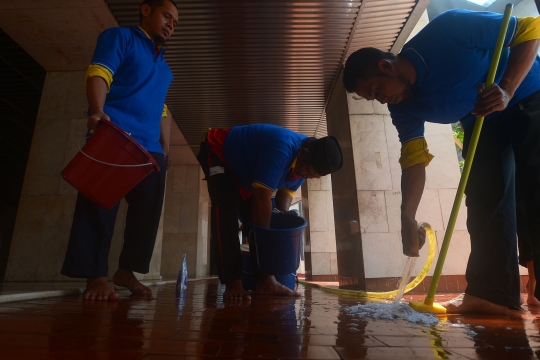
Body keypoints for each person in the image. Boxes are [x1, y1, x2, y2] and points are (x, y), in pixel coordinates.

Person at [343, 9, 540, 314]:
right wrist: (407, 217)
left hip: (529, 94)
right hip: (483, 120)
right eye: (374, 99)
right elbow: (413, 158)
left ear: (386, 66)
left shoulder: (448, 30)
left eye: (376, 90)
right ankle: (493, 294)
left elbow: (530, 29)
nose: (381, 100)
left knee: (537, 186)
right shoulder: (404, 107)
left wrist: (507, 88)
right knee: (484, 197)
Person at [61, 0, 179, 301]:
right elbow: (100, 71)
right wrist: (98, 110)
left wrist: (166, 147)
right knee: (99, 207)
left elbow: (161, 107)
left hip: (151, 149)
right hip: (114, 135)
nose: (171, 25)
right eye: (167, 16)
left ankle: (127, 271)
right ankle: (96, 276)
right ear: (145, 9)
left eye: (175, 23)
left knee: (146, 215)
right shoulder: (119, 37)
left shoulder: (164, 68)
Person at [197, 124, 343, 300]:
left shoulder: (305, 164)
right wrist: (266, 236)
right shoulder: (281, 148)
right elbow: (261, 198)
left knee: (259, 220)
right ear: (302, 154)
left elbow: (285, 196)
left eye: (314, 176)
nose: (308, 176)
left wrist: (279, 218)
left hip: (245, 172)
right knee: (226, 213)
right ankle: (233, 282)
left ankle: (266, 282)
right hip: (219, 153)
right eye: (309, 172)